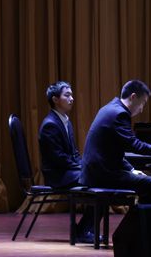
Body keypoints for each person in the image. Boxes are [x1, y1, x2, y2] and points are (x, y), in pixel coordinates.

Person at [80, 80, 151, 204]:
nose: (141, 109)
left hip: (94, 173)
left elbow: (113, 152)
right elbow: (134, 145)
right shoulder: (120, 114)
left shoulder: (110, 108)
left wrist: (131, 170)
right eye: (143, 103)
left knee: (144, 182)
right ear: (133, 97)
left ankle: (141, 215)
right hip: (102, 176)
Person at [38, 81, 94, 241]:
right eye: (67, 95)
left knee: (100, 178)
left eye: (72, 95)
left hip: (67, 170)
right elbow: (58, 158)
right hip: (58, 175)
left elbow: (74, 152)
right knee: (97, 179)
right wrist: (81, 167)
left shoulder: (66, 121)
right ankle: (83, 231)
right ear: (55, 99)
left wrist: (84, 164)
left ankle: (82, 230)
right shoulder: (50, 125)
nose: (72, 98)